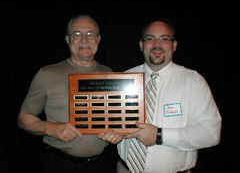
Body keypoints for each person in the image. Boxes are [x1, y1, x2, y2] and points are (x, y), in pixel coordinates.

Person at [98, 18, 222, 173]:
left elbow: (211, 133)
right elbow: (113, 122)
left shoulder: (193, 81)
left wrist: (159, 135)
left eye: (164, 39)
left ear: (174, 45)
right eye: (150, 39)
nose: (157, 45)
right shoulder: (123, 79)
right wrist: (114, 133)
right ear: (141, 45)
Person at [18, 15, 113, 173]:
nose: (84, 39)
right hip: (59, 165)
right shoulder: (47, 74)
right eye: (77, 34)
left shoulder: (109, 73)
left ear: (98, 39)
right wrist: (51, 128)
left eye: (90, 34)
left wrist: (117, 132)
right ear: (68, 39)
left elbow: (114, 117)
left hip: (100, 165)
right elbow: (23, 118)